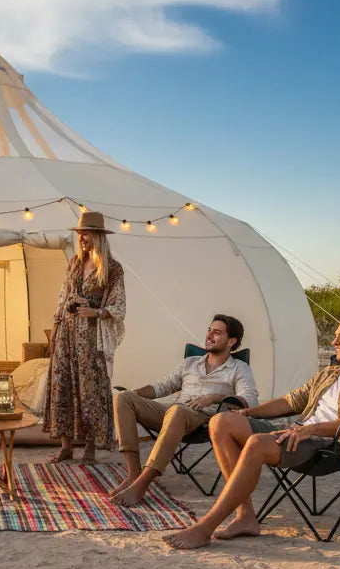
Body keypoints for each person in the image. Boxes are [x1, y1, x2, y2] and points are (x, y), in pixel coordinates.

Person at [164, 314, 340, 550]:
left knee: (257, 443)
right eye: (335, 336)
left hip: (333, 446)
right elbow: (289, 402)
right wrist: (248, 413)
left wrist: (311, 429)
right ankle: (246, 516)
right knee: (221, 421)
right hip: (297, 434)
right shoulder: (329, 374)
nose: (335, 341)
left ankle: (205, 527)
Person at [110, 315, 258, 506]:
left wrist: (214, 398)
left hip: (202, 420)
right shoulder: (191, 362)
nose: (209, 335)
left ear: (232, 341)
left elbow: (250, 399)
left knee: (177, 411)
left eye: (217, 332)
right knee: (123, 398)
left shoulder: (239, 368)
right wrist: (135, 394)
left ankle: (142, 485)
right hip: (172, 413)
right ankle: (133, 474)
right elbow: (162, 386)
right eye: (209, 330)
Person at [43, 211, 126, 463]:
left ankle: (90, 447)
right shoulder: (74, 263)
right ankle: (65, 445)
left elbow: (119, 306)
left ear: (98, 236)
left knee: (90, 389)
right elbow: (62, 296)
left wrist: (96, 311)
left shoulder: (112, 269)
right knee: (62, 385)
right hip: (67, 334)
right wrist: (55, 328)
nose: (81, 237)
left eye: (85, 233)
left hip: (91, 337)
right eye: (79, 233)